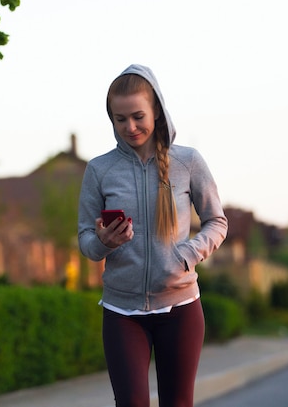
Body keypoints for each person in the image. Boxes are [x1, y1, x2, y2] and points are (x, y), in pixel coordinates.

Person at [77, 64, 228, 407]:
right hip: (122, 310)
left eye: (137, 116)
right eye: (120, 119)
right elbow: (86, 240)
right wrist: (104, 242)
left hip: (180, 307)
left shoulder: (187, 162)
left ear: (156, 110)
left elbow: (217, 222)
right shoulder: (99, 170)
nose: (129, 127)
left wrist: (186, 255)